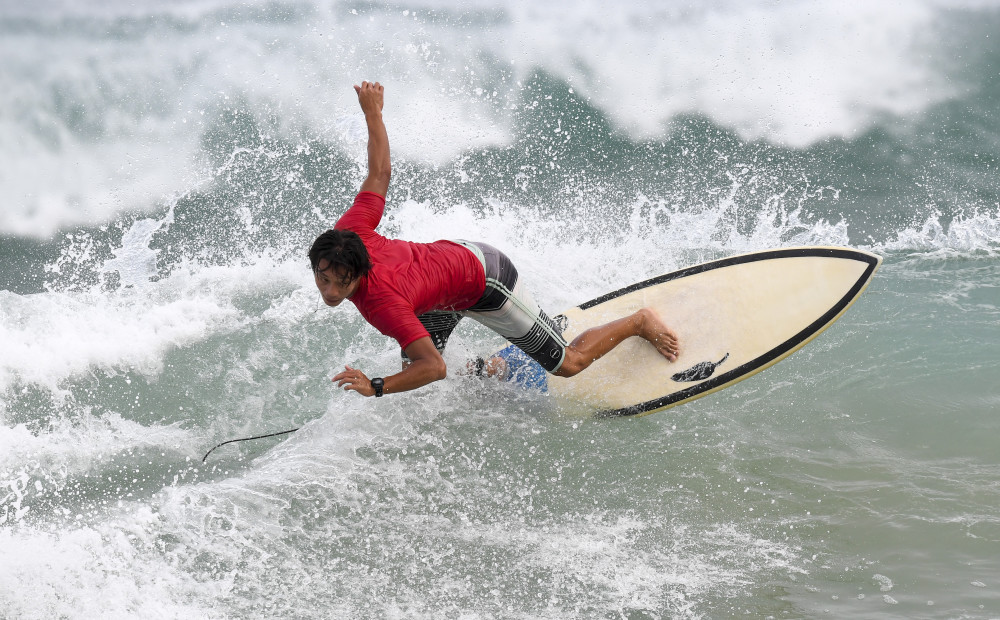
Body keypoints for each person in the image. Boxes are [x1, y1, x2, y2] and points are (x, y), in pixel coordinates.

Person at [310, 81, 680, 398]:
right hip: (439, 287)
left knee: (568, 364)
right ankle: (498, 366)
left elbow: (435, 368)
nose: (329, 291)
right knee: (413, 369)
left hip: (485, 279)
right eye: (323, 278)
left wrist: (376, 386)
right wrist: (372, 111)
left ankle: (638, 322)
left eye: (340, 283)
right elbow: (380, 173)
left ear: (359, 270)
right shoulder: (347, 235)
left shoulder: (384, 304)